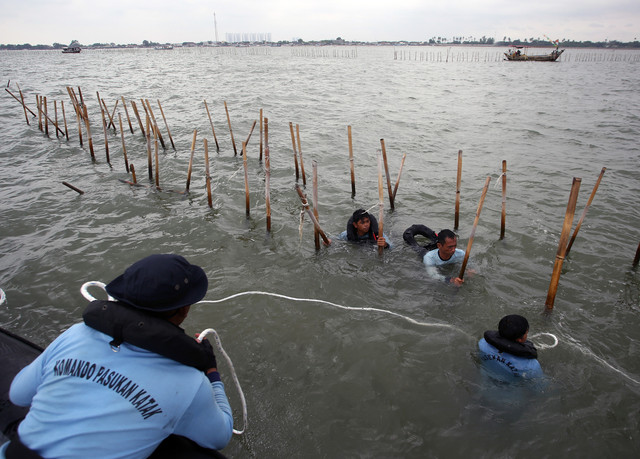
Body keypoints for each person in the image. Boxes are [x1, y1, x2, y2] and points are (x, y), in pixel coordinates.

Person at [1, 254, 233, 459]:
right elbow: (220, 435)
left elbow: (18, 395)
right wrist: (211, 372)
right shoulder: (189, 382)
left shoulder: (75, 334)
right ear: (184, 309)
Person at [478, 314, 543, 380]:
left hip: (484, 382)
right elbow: (539, 385)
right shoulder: (531, 366)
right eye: (526, 333)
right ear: (519, 339)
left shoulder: (482, 344)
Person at [326, 209, 390, 249]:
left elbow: (392, 247)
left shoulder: (378, 234)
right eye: (362, 223)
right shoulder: (346, 234)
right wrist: (328, 241)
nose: (366, 225)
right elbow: (335, 239)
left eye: (367, 221)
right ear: (355, 225)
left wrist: (385, 245)